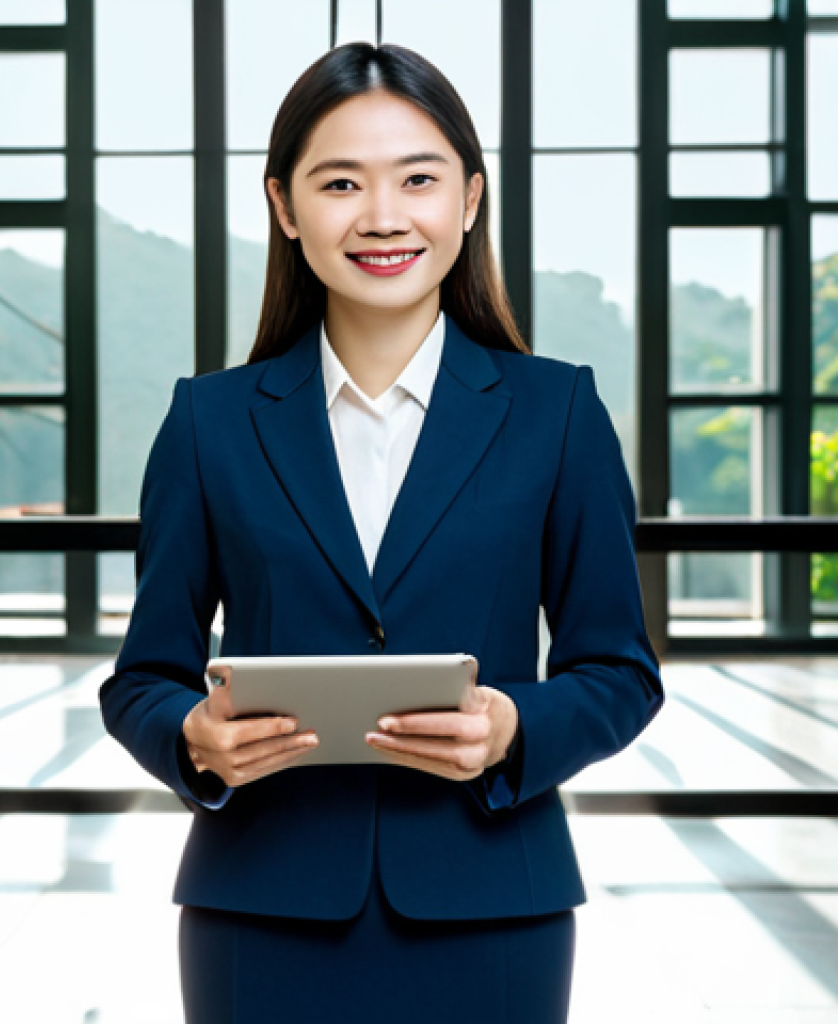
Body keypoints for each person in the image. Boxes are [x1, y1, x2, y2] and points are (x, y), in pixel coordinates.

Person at [99, 41, 665, 1024]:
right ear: (284, 207)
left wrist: (512, 729)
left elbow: (620, 671)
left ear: (470, 198)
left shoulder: (557, 413)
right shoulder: (209, 423)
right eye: (339, 183)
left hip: (493, 905)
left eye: (418, 179)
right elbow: (142, 677)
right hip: (260, 907)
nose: (382, 216)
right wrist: (190, 737)